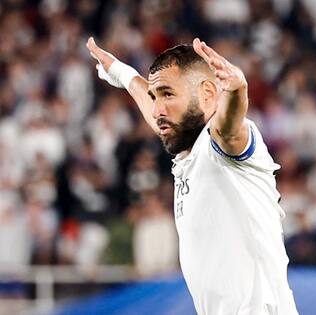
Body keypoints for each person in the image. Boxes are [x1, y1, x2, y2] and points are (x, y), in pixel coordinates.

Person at [86, 36, 299, 315]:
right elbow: (152, 105)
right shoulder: (190, 150)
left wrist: (237, 91)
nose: (157, 110)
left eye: (168, 94)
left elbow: (230, 127)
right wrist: (122, 73)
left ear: (208, 94)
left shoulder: (224, 145)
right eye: (155, 97)